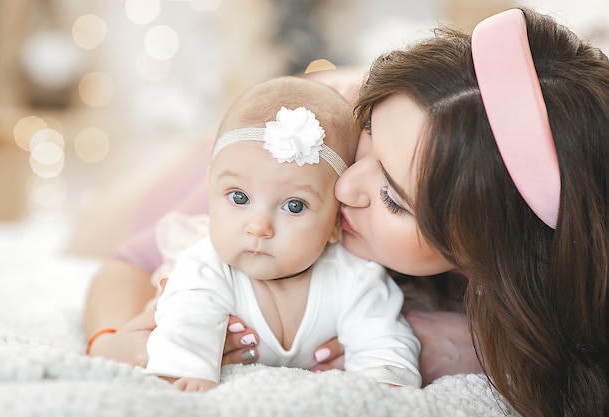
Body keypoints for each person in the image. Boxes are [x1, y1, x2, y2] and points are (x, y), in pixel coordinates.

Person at [83, 69, 476, 385]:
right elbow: (129, 263)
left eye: (393, 196)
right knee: (96, 225)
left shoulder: (357, 273)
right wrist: (110, 344)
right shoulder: (279, 146)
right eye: (369, 141)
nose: (345, 188)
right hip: (287, 109)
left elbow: (386, 356)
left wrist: (478, 351)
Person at [337, 7, 608, 417]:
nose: (344, 185)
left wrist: (486, 350)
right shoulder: (321, 117)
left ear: (491, 248)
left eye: (393, 199)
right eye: (368, 132)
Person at [142, 76, 421, 392]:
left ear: (334, 221)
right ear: (210, 188)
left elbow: (384, 342)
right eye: (238, 198)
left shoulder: (356, 277)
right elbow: (186, 329)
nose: (259, 226)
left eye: (294, 205)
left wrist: (385, 383)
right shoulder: (205, 268)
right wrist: (184, 373)